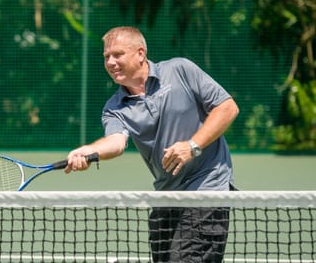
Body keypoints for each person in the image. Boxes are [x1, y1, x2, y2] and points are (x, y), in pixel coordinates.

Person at [65, 26, 239, 262]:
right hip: (165, 197)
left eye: (117, 54)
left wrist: (192, 145)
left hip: (207, 188)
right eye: (106, 57)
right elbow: (116, 142)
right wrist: (90, 150)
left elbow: (227, 108)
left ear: (140, 53)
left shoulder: (180, 70)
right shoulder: (114, 108)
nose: (110, 62)